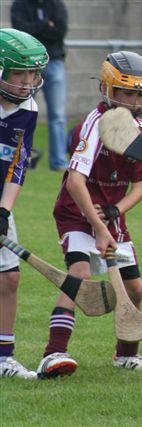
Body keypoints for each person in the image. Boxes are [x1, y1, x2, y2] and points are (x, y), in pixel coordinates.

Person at [36, 51, 142, 379]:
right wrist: (96, 224)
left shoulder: (140, 132)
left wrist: (113, 213)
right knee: (80, 275)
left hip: (110, 216)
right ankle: (53, 355)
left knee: (135, 290)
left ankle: (126, 356)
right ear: (108, 89)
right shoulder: (93, 127)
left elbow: (138, 189)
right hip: (76, 213)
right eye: (126, 93)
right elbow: (75, 182)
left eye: (139, 94)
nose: (132, 102)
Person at [0, 28, 48, 379]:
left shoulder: (28, 109)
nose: (28, 82)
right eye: (20, 73)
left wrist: (4, 210)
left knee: (9, 279)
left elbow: (17, 165)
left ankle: (3, 359)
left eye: (33, 74)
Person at [11, 0, 69, 171]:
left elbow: (60, 30)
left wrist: (35, 30)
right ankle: (17, 156)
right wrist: (45, 24)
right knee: (21, 111)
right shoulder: (20, 5)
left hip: (54, 62)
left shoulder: (56, 4)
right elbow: (20, 32)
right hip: (28, 66)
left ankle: (58, 162)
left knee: (57, 115)